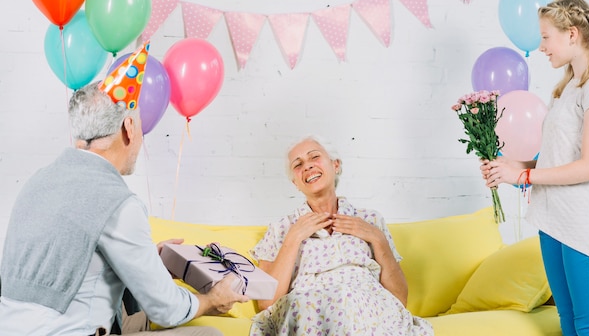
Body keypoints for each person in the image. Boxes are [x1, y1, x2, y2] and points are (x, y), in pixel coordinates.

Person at [0, 55, 248, 335]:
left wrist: (146, 265)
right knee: (208, 333)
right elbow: (167, 310)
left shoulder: (39, 181)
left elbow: (73, 266)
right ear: (129, 128)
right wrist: (212, 299)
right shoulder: (118, 204)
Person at [480, 0, 589, 336]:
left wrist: (523, 174)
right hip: (552, 218)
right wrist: (510, 166)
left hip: (578, 221)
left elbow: (588, 167)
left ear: (572, 35)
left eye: (545, 37)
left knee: (588, 324)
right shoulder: (566, 88)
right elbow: (555, 158)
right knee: (567, 320)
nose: (541, 47)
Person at [248, 135, 434, 335]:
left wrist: (377, 238)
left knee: (349, 301)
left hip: (366, 308)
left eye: (314, 157)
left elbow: (399, 298)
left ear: (335, 165)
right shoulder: (282, 228)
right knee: (310, 305)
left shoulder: (369, 220)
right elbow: (267, 302)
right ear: (295, 183)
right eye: (298, 164)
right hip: (309, 309)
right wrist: (293, 238)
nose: (308, 166)